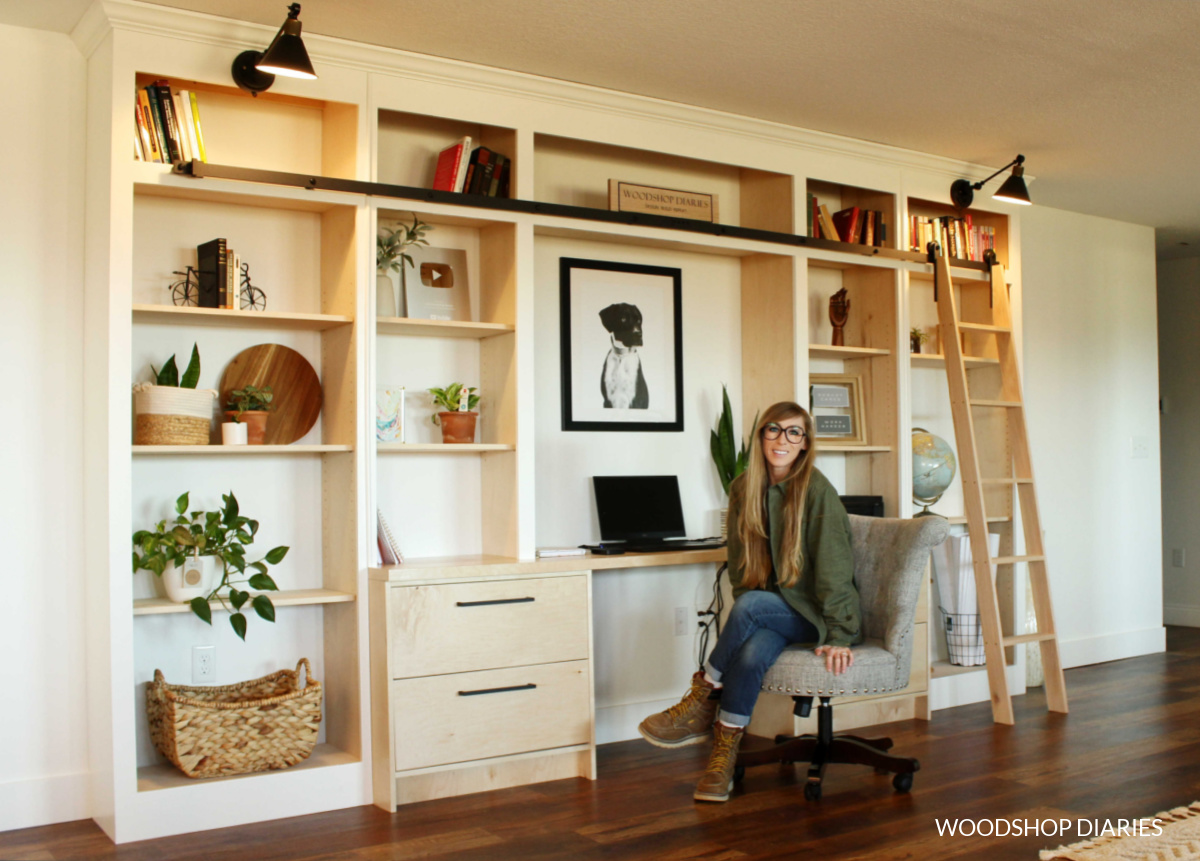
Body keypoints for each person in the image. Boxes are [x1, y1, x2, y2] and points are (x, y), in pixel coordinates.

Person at [638, 400, 862, 803]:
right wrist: (751, 621)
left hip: (813, 615)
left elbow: (834, 568)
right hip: (768, 611)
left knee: (751, 606)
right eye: (774, 429)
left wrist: (841, 633)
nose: (783, 439)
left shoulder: (816, 491)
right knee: (751, 649)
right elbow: (741, 568)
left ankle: (701, 696)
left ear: (805, 444)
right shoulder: (743, 488)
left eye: (794, 432)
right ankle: (722, 757)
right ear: (761, 437)